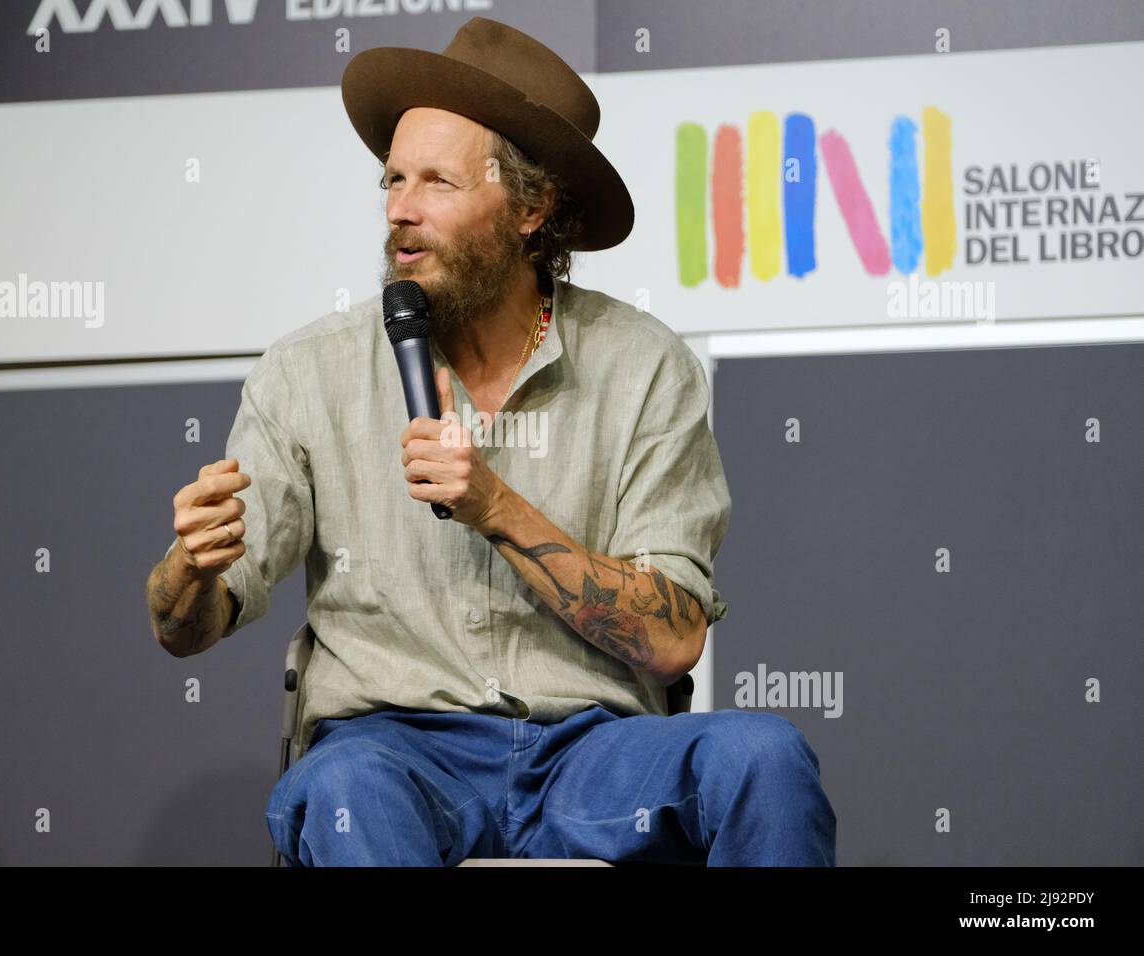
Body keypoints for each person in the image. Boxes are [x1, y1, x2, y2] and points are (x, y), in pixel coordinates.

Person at [145, 16, 835, 866]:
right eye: (392, 180)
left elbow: (671, 640)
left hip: (595, 756)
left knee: (760, 757)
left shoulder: (643, 365)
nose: (400, 210)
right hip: (395, 754)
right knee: (342, 789)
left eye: (436, 182)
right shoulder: (308, 371)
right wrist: (190, 570)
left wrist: (495, 506)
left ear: (530, 208)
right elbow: (186, 627)